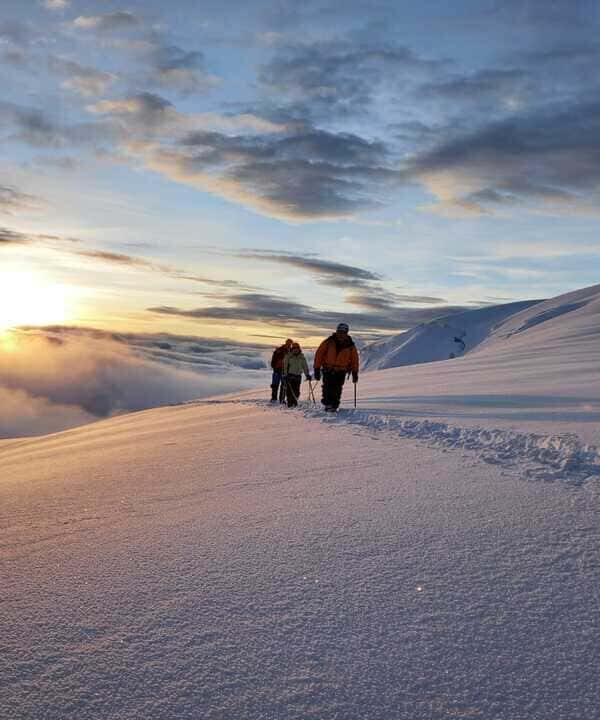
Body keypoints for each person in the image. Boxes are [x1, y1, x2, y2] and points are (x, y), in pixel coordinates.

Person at [313, 322, 359, 412]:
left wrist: (355, 373)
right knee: (327, 387)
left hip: (341, 370)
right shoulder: (329, 342)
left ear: (346, 333)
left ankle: (334, 405)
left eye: (344, 332)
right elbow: (319, 354)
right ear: (337, 331)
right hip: (328, 369)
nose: (341, 334)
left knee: (337, 389)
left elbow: (354, 360)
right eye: (340, 331)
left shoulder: (350, 345)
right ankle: (328, 404)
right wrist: (316, 368)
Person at [282, 342, 311, 407]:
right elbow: (285, 366)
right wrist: (285, 374)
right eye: (294, 348)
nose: (296, 349)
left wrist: (307, 374)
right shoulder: (288, 356)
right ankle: (290, 402)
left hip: (298, 376)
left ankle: (294, 401)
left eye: (297, 348)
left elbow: (305, 366)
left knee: (296, 391)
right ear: (292, 349)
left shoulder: (301, 357)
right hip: (290, 375)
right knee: (290, 390)